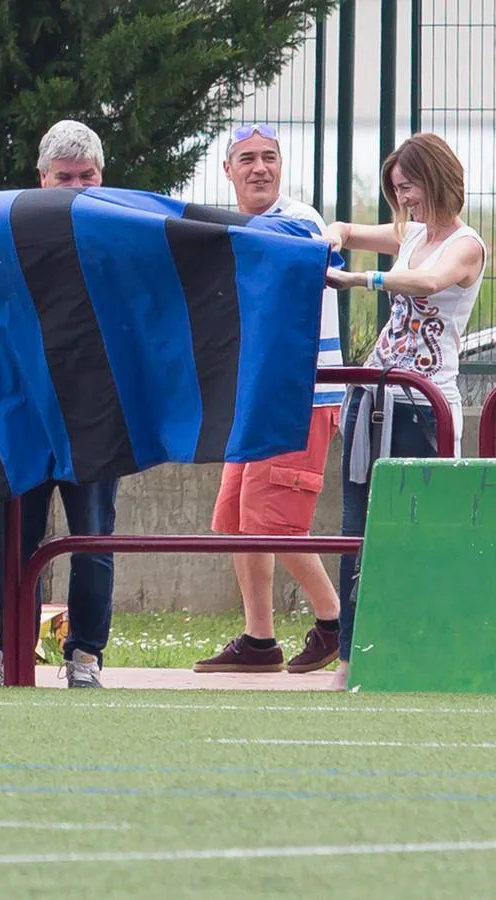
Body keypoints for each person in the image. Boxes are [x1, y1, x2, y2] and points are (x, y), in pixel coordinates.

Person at [323, 133, 487, 689]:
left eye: (409, 186)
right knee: (354, 528)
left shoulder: (466, 244)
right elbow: (347, 230)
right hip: (372, 398)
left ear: (436, 177)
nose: (405, 200)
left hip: (424, 406)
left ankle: (427, 653)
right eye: (397, 190)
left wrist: (360, 278)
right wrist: (332, 235)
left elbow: (429, 280)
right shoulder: (410, 232)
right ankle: (348, 660)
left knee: (423, 531)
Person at [195, 124, 345, 676]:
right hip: (257, 397)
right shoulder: (240, 229)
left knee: (272, 520)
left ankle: (333, 622)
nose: (260, 168)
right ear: (228, 171)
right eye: (247, 159)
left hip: (301, 397)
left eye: (270, 158)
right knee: (235, 518)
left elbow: (278, 246)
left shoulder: (299, 220)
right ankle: (259, 640)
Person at [0, 119, 118, 689]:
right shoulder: (8, 235)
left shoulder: (121, 235)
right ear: (41, 179)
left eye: (87, 176)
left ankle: (85, 654)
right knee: (14, 538)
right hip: (25, 413)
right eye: (64, 177)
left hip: (96, 415)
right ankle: (10, 650)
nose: (75, 188)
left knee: (92, 537)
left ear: (103, 177)